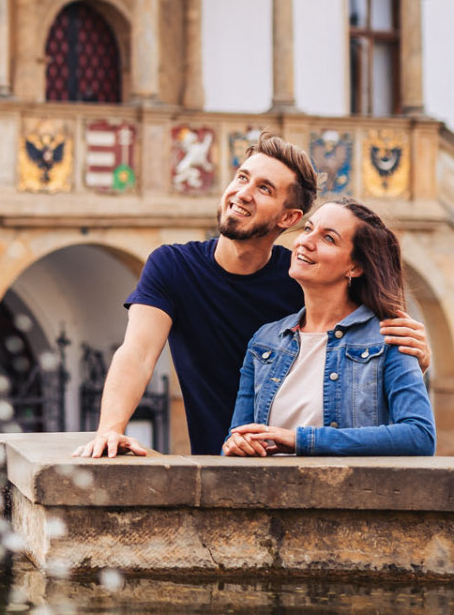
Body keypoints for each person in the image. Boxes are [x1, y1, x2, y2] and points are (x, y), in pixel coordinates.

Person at [70, 133, 430, 458]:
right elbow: (137, 353)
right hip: (225, 463)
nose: (243, 193)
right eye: (242, 178)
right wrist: (111, 430)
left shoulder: (304, 276)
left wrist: (414, 358)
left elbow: (366, 343)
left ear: (287, 217)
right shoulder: (173, 267)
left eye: (264, 189)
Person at [222, 199, 436, 457]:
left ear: (354, 267)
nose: (306, 242)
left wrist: (303, 440)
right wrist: (235, 445)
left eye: (328, 238)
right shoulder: (265, 341)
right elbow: (237, 437)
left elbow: (420, 436)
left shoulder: (389, 338)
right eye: (308, 228)